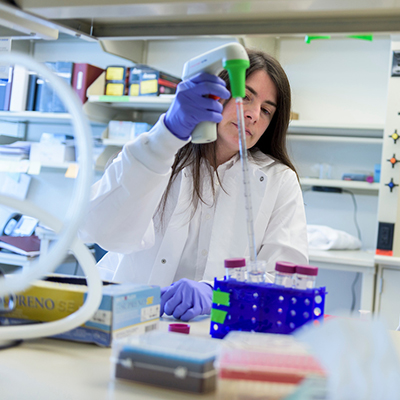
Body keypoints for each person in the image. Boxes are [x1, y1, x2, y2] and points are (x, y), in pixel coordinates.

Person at [79, 48, 308, 321]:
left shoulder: (279, 180)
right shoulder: (160, 153)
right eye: (245, 96)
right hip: (127, 319)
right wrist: (167, 135)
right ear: (216, 93)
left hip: (217, 332)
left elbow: (286, 281)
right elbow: (98, 228)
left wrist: (218, 294)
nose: (254, 115)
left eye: (267, 110)